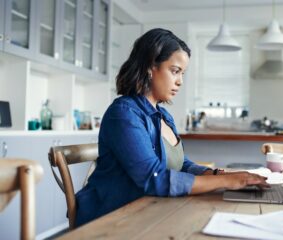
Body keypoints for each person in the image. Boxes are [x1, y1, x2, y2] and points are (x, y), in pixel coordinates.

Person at [75, 28, 269, 227]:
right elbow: (153, 178)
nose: (180, 81)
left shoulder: (164, 116)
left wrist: (220, 175)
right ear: (150, 67)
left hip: (149, 210)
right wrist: (227, 182)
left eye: (182, 73)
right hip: (111, 218)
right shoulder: (124, 114)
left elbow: (181, 164)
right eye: (175, 71)